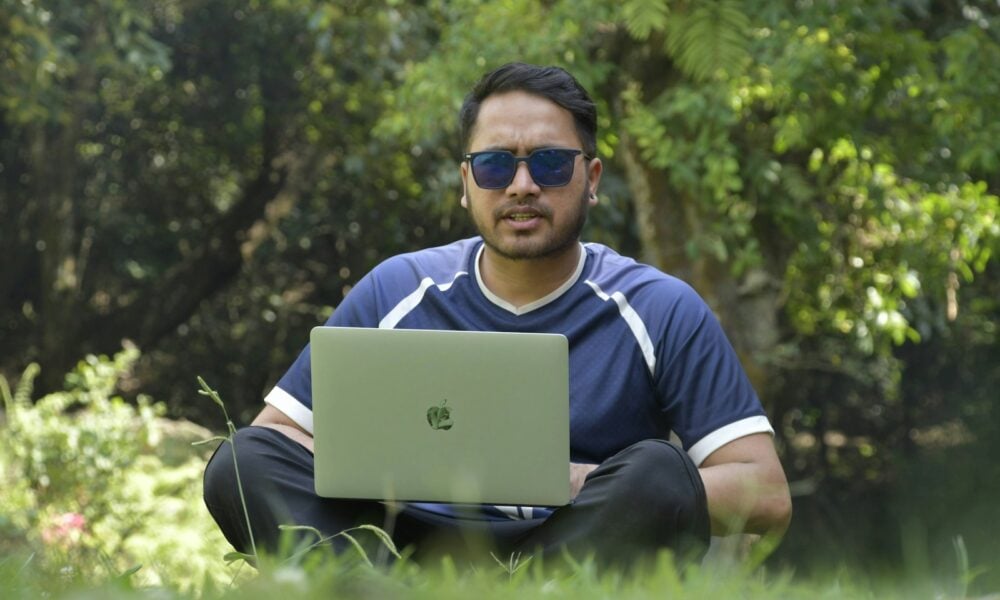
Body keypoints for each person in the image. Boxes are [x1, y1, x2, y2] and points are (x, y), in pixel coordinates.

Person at [203, 62, 791, 567]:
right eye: (494, 166)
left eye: (551, 164)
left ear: (591, 179)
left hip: (569, 549)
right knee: (241, 459)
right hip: (396, 549)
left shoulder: (660, 307)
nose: (522, 185)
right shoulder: (397, 288)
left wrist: (578, 480)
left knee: (659, 471)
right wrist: (386, 466)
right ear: (466, 183)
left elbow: (765, 492)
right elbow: (275, 437)